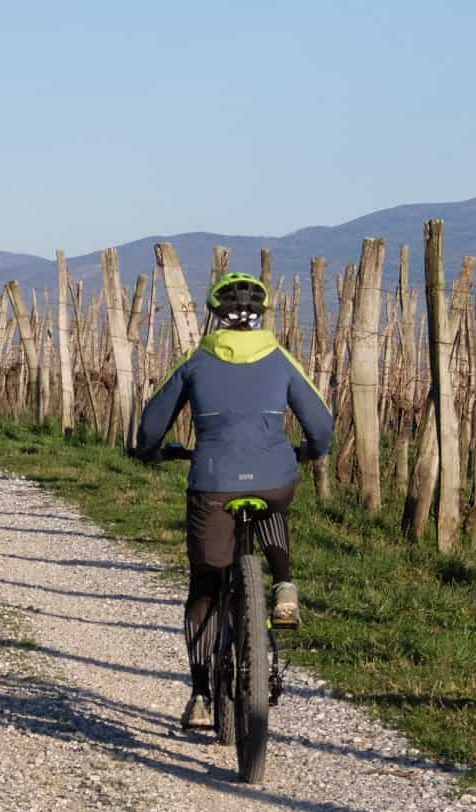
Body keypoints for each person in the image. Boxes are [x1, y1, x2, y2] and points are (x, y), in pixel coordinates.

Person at [132, 272, 333, 730]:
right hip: (275, 478)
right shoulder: (280, 359)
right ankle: (283, 584)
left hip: (213, 481)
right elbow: (321, 423)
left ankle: (201, 696)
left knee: (204, 585)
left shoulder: (197, 360)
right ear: (262, 315)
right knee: (272, 498)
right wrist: (315, 452)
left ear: (214, 315)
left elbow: (151, 423)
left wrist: (148, 451)